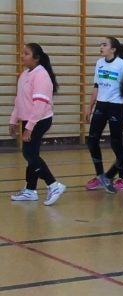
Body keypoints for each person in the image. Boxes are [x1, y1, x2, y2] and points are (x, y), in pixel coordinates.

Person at [9, 43, 66, 206]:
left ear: (36, 58)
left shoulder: (41, 76)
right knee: (31, 153)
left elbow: (40, 105)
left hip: (39, 120)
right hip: (28, 119)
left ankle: (53, 185)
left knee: (30, 154)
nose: (23, 56)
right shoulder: (25, 74)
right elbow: (19, 100)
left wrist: (29, 127)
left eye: (26, 54)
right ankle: (30, 190)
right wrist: (14, 120)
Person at [85, 36, 123, 193]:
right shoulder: (99, 63)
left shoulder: (122, 65)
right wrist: (89, 107)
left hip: (116, 106)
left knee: (116, 143)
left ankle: (122, 177)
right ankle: (100, 176)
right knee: (92, 141)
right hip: (101, 105)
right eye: (101, 44)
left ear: (113, 49)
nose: (101, 47)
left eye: (105, 45)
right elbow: (97, 86)